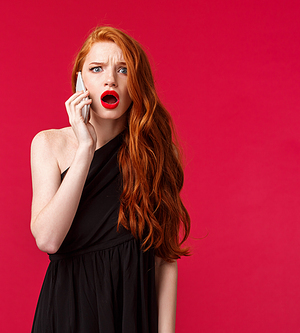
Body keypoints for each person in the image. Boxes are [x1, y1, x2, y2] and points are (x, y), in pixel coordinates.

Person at [30, 26, 190, 333]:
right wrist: (85, 150)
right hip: (69, 315)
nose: (110, 80)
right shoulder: (49, 144)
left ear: (136, 83)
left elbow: (164, 257)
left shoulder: (157, 152)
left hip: (131, 312)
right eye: (96, 68)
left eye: (123, 70)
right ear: (81, 81)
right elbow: (48, 239)